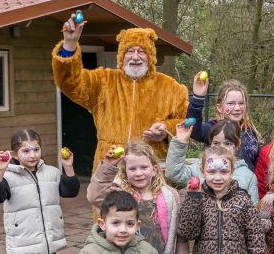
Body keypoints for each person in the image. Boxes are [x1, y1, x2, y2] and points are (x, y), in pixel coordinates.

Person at [53, 17, 188, 171]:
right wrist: (69, 44)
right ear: (121, 56)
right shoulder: (103, 81)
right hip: (110, 169)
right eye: (130, 51)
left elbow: (186, 123)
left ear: (151, 56)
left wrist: (166, 129)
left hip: (150, 170)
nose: (135, 57)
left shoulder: (171, 87)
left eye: (142, 51)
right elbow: (70, 82)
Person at [165, 118, 259, 204]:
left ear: (237, 145)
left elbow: (253, 209)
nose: (221, 148)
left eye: (228, 143)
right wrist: (180, 142)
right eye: (216, 143)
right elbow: (173, 174)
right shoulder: (199, 167)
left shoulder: (248, 176)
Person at [185, 75, 262, 171]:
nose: (237, 108)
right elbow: (194, 129)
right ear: (220, 108)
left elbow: (257, 165)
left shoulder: (249, 132)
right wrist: (197, 98)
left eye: (241, 103)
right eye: (231, 103)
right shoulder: (214, 128)